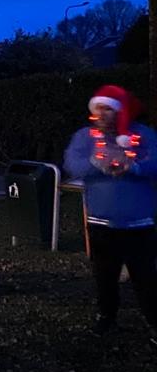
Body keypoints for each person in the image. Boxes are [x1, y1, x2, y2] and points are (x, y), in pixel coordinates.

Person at [63, 84, 157, 346]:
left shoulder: (142, 135)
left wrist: (134, 167)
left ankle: (153, 320)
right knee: (104, 275)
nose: (102, 114)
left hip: (139, 222)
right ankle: (107, 317)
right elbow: (73, 164)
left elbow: (156, 162)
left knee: (146, 276)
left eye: (108, 109)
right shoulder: (85, 137)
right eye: (98, 109)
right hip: (101, 222)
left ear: (119, 111)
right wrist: (97, 162)